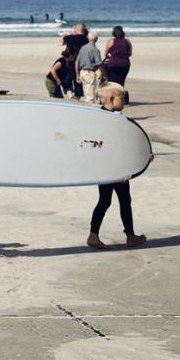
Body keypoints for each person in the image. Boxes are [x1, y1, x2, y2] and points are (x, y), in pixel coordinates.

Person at [86, 83, 147, 250]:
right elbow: (114, 146)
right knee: (123, 200)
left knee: (106, 201)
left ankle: (94, 235)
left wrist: (143, 155)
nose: (125, 102)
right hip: (115, 168)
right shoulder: (112, 120)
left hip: (106, 168)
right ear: (112, 99)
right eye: (122, 98)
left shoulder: (101, 117)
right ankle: (130, 236)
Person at [103, 25, 132, 99]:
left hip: (114, 64)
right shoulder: (127, 41)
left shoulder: (111, 41)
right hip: (125, 64)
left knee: (113, 82)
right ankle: (121, 98)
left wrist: (111, 55)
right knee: (122, 81)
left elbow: (105, 53)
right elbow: (130, 54)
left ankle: (114, 98)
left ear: (114, 33)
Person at [76, 31, 103, 104]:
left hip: (82, 72)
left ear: (88, 38)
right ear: (96, 39)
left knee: (87, 94)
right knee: (90, 97)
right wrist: (105, 74)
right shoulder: (95, 50)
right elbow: (99, 64)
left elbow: (77, 62)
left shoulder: (82, 48)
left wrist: (77, 75)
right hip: (89, 73)